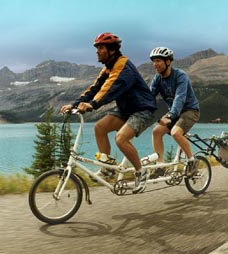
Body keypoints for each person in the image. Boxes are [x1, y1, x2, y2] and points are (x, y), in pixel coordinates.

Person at [60, 32, 157, 193]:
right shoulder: (108, 68)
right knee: (99, 128)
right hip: (125, 110)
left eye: (101, 48)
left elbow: (110, 88)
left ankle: (141, 172)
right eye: (96, 48)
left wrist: (92, 104)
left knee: (121, 139)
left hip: (143, 109)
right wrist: (74, 104)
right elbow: (95, 88)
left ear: (111, 50)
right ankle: (108, 168)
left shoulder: (123, 66)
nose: (97, 51)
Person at [148, 47, 200, 176]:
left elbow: (179, 98)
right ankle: (160, 166)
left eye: (158, 60)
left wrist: (171, 115)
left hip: (190, 110)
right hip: (174, 112)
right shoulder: (157, 79)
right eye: (153, 61)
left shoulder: (180, 76)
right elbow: (148, 97)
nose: (155, 64)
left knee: (176, 133)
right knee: (156, 131)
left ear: (168, 62)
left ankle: (192, 161)